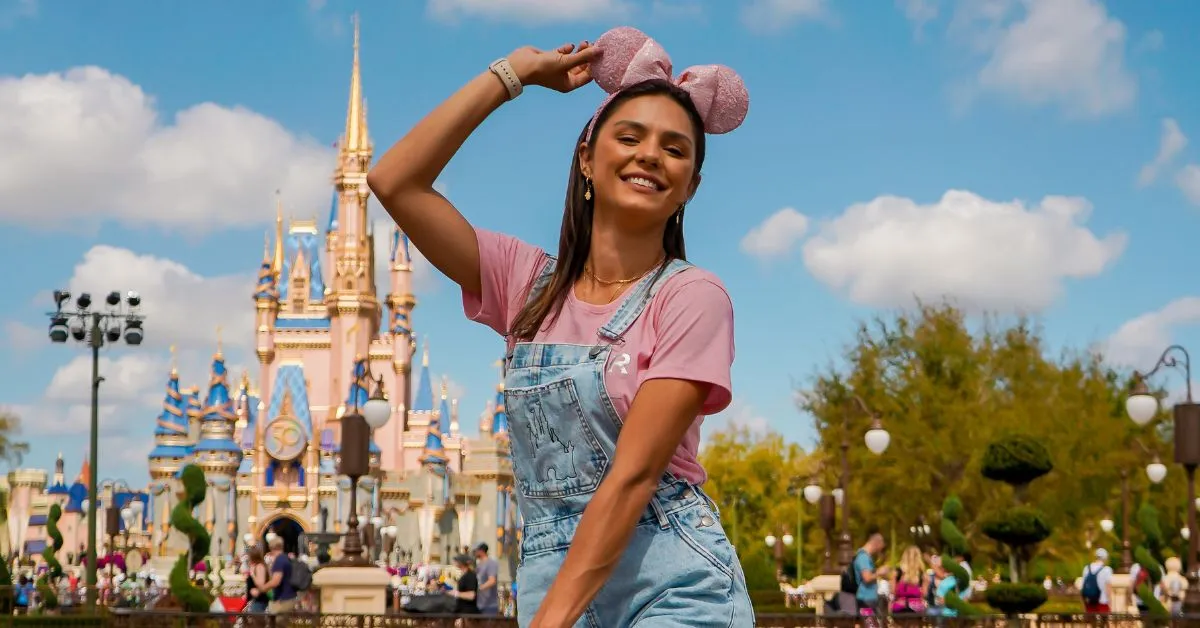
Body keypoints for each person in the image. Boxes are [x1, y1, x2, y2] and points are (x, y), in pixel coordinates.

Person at [369, 25, 751, 628]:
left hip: (672, 587)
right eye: (629, 137)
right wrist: (512, 75)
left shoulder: (691, 298)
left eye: (675, 149)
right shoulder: (528, 287)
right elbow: (394, 181)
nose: (650, 154)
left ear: (690, 188)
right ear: (587, 159)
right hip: (553, 580)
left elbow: (633, 476)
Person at [262, 536, 298, 612]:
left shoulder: (279, 561)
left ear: (270, 547)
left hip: (282, 599)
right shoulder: (286, 558)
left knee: (276, 622)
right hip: (290, 597)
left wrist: (263, 588)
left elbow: (276, 581)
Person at [1080, 548, 1113, 614]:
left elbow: (1083, 587)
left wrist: (1083, 603)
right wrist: (1110, 603)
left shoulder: (1086, 568)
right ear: (1105, 558)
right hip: (1103, 602)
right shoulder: (1107, 570)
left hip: (1090, 602)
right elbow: (1108, 588)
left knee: (1093, 623)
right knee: (1103, 623)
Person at [473, 543, 500, 615]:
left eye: (475, 551)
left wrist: (478, 589)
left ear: (481, 551)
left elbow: (492, 581)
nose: (474, 553)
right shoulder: (479, 564)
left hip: (489, 605)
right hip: (479, 604)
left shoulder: (491, 563)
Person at [244, 546, 271, 613]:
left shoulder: (259, 566)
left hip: (259, 600)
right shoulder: (255, 566)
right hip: (255, 600)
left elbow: (261, 583)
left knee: (257, 621)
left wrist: (252, 574)